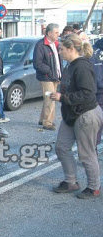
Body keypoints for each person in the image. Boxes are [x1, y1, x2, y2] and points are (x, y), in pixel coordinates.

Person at [51, 34, 103, 199]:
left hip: (86, 114)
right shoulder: (70, 65)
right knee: (61, 146)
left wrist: (62, 97)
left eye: (61, 49)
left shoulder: (82, 66)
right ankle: (71, 181)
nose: (59, 52)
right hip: (71, 114)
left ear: (71, 49)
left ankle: (94, 187)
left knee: (86, 154)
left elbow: (88, 94)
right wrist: (61, 92)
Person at [33, 23, 62, 130]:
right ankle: (47, 122)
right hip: (46, 77)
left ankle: (43, 119)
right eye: (56, 32)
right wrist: (49, 71)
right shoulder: (40, 45)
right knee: (51, 98)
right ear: (49, 33)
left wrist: (59, 75)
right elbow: (37, 63)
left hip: (55, 76)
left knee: (48, 99)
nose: (58, 34)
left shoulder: (56, 43)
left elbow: (59, 62)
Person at [90, 38, 103, 146]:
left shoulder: (93, 50)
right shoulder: (93, 50)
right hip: (98, 91)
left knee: (97, 122)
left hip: (96, 90)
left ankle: (92, 151)